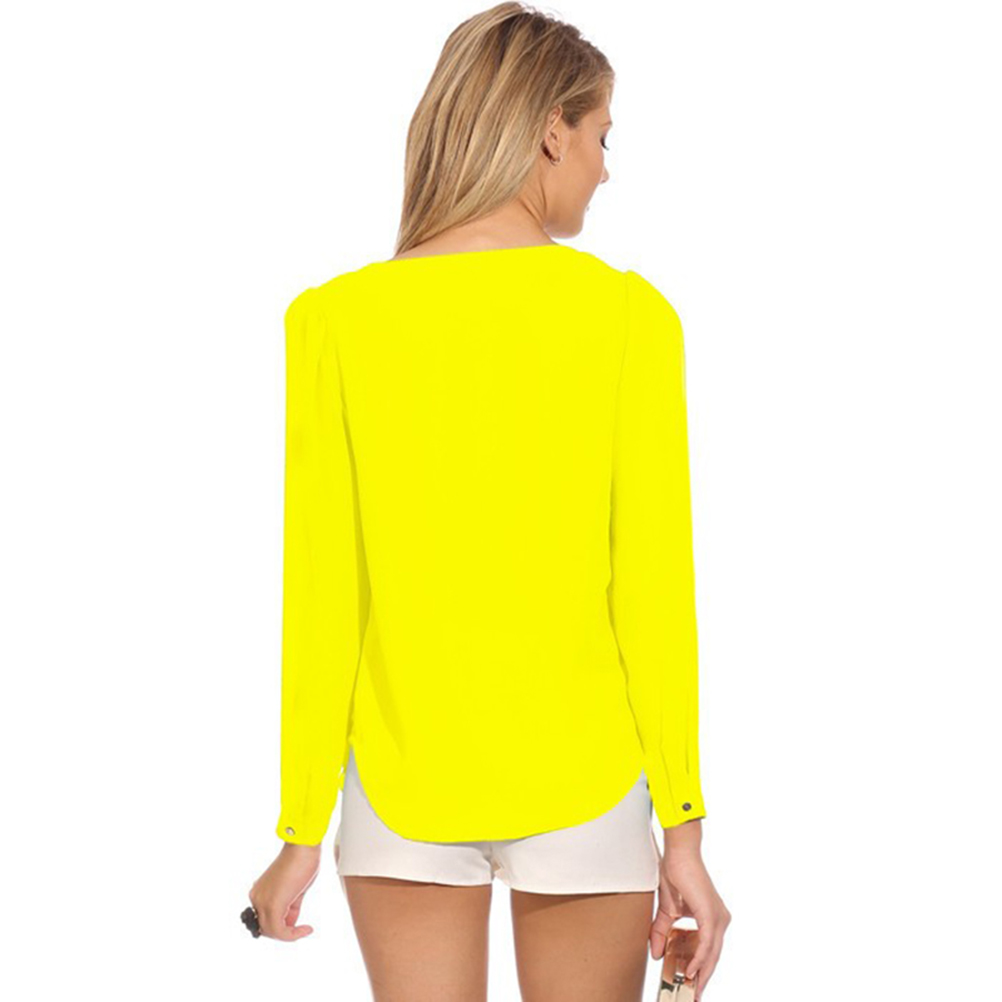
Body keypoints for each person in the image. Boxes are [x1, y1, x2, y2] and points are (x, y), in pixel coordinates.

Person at [247, 3, 731, 999]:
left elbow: (324, 595)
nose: (605, 168)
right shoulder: (628, 318)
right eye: (602, 137)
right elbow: (653, 588)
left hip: (401, 788)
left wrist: (300, 829)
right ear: (552, 130)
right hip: (587, 786)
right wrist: (682, 827)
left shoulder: (334, 323)